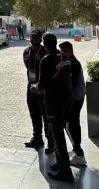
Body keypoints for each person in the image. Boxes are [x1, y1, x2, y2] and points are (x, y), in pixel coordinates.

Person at [33, 33, 74, 182]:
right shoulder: (65, 58)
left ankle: (65, 172)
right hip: (66, 101)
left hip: (53, 103)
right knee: (59, 133)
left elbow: (42, 86)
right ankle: (61, 162)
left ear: (44, 43)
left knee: (57, 136)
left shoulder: (46, 60)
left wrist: (34, 87)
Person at [23, 30, 53, 150]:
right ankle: (37, 138)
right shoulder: (26, 51)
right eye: (32, 37)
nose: (34, 39)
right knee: (34, 113)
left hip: (43, 87)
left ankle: (50, 142)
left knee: (46, 115)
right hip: (31, 86)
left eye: (37, 37)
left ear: (41, 39)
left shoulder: (45, 52)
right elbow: (27, 66)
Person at [59, 41, 87, 166]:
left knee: (70, 125)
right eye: (61, 51)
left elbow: (72, 84)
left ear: (71, 50)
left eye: (65, 51)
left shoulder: (74, 64)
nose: (62, 54)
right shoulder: (69, 62)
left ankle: (79, 154)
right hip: (75, 98)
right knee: (72, 124)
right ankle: (77, 150)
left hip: (75, 99)